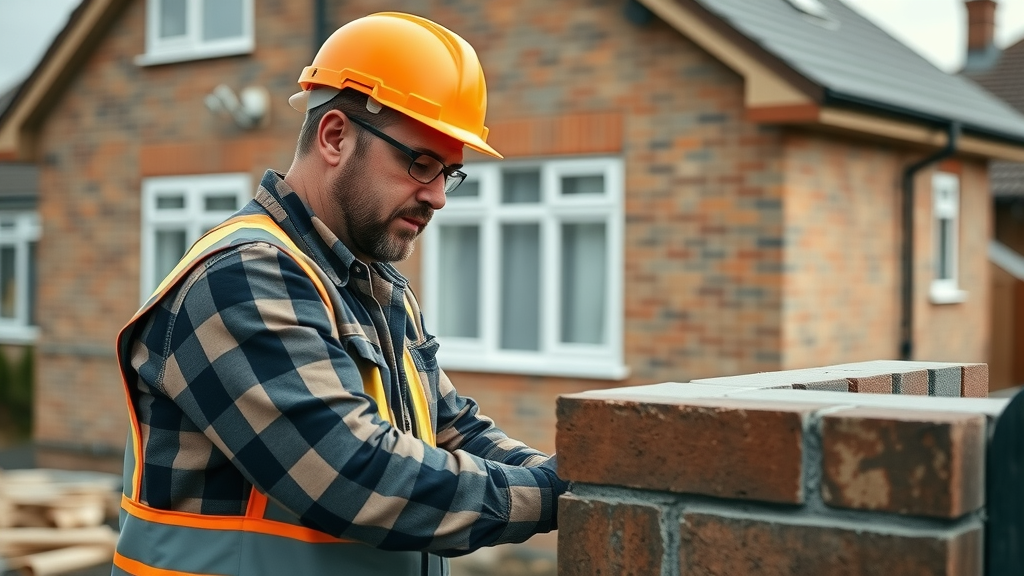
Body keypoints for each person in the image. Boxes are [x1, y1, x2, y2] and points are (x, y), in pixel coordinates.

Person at [112, 12, 568, 576]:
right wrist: (550, 494)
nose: (437, 197)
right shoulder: (240, 278)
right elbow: (349, 475)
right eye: (420, 163)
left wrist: (570, 476)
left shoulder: (376, 286)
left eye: (448, 173)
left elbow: (455, 429)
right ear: (334, 136)